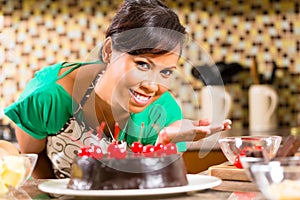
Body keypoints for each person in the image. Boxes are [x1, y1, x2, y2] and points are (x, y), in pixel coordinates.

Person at [4, 0, 231, 179]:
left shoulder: (165, 113)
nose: (152, 85)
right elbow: (33, 162)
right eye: (142, 64)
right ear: (109, 50)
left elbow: (153, 185)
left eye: (166, 72)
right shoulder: (51, 95)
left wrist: (164, 144)